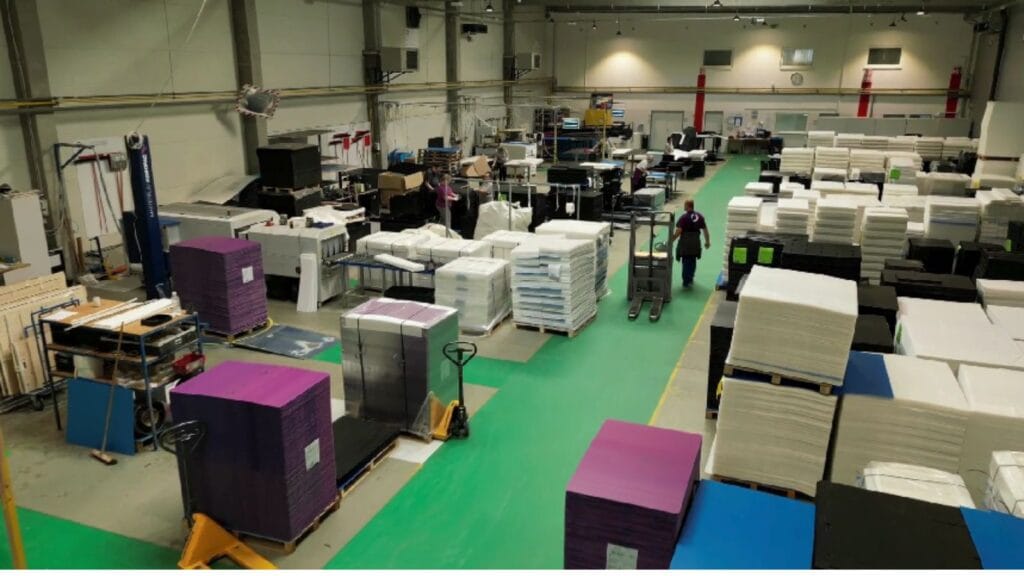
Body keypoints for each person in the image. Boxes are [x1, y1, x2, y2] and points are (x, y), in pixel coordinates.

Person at [671, 199, 711, 289]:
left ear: (687, 206)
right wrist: (707, 242)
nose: (684, 206)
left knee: (686, 261)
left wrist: (671, 240)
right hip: (696, 242)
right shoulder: (700, 216)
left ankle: (686, 282)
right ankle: (691, 278)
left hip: (686, 243)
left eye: (684, 205)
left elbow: (679, 231)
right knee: (693, 260)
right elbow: (705, 231)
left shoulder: (684, 217)